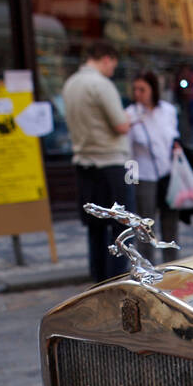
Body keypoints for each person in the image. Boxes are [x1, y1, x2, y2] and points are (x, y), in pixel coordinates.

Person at [62, 40, 131, 282]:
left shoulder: (70, 84)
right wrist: (131, 118)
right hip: (110, 163)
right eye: (113, 64)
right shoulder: (101, 84)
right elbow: (120, 125)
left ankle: (99, 279)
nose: (113, 70)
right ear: (106, 59)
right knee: (121, 228)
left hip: (84, 164)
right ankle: (117, 280)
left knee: (95, 227)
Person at [125, 70, 181, 262]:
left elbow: (173, 137)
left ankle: (172, 263)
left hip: (167, 173)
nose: (138, 94)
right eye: (135, 90)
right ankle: (147, 266)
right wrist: (130, 181)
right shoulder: (131, 115)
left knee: (170, 223)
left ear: (153, 90)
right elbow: (128, 152)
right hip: (143, 176)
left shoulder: (168, 111)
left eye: (143, 89)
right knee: (145, 225)